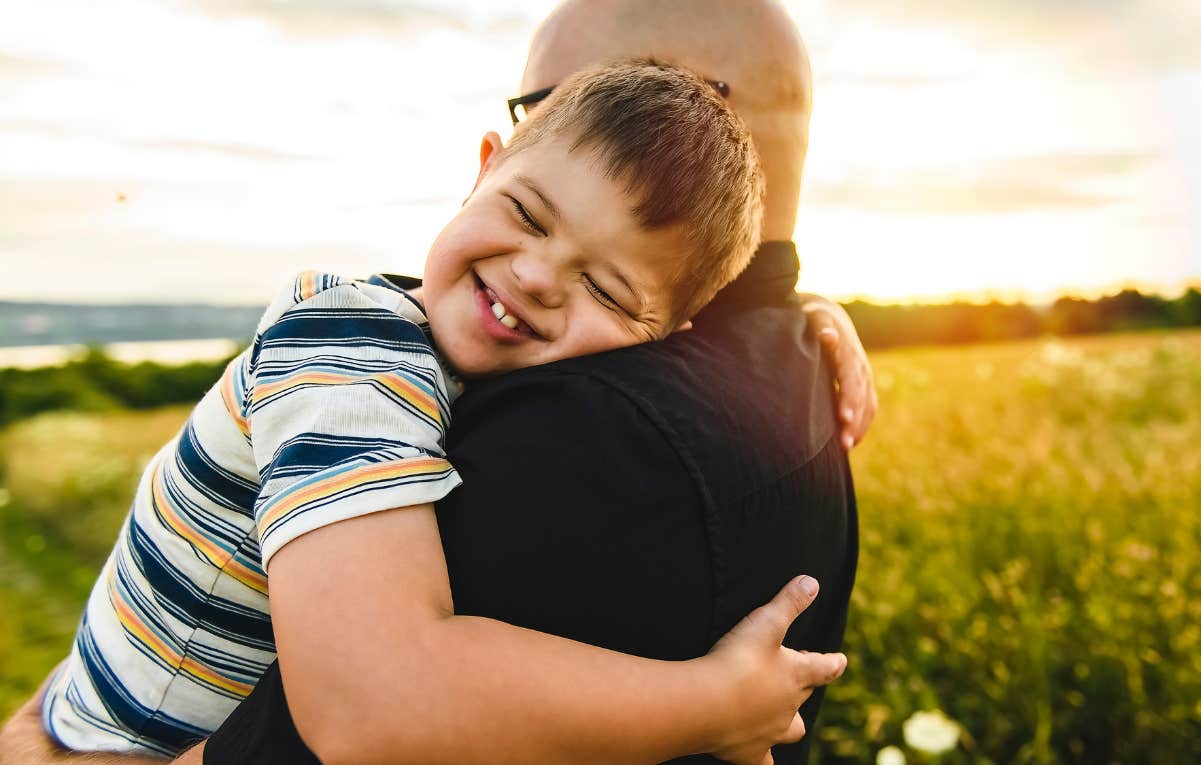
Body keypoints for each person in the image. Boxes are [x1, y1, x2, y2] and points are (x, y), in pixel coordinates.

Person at [0, 1, 874, 763]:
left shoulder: (529, 377)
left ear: (666, 333)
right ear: (485, 163)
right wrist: (716, 703)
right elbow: (369, 703)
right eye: (527, 213)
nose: (536, 276)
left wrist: (806, 312)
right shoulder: (347, 346)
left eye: (606, 287)